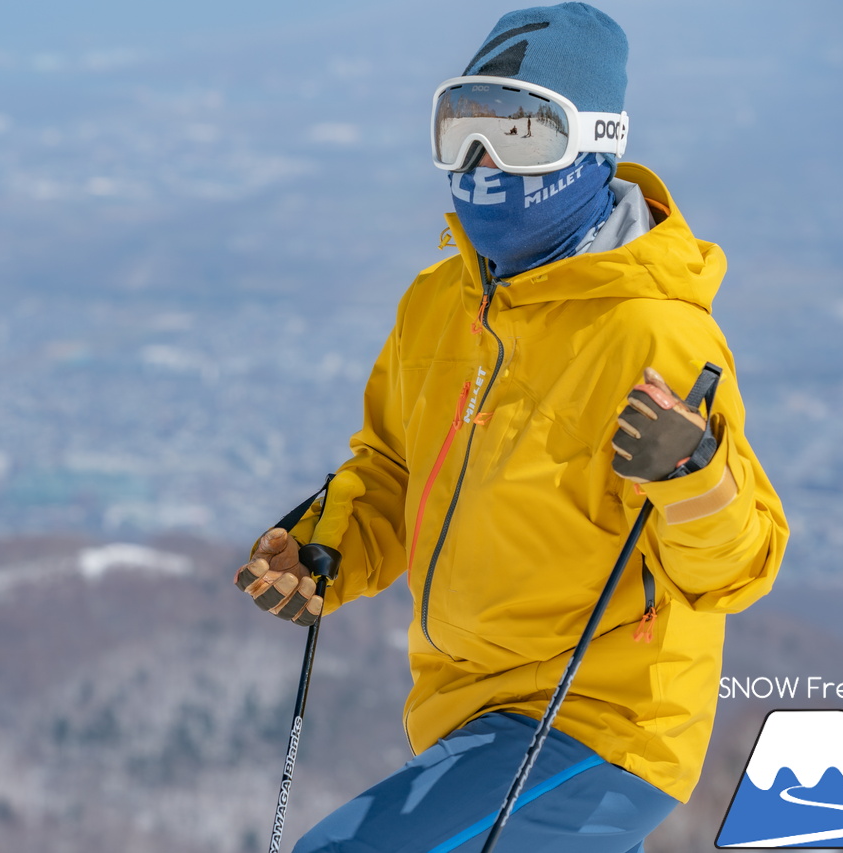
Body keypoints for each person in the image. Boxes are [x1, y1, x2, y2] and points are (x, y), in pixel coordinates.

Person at [234, 3, 787, 852]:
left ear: (595, 143)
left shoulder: (655, 334)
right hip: (464, 706)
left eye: (522, 133)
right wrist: (329, 550)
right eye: (462, 128)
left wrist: (694, 478)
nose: (482, 162)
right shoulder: (438, 306)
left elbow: (738, 568)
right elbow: (389, 466)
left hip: (602, 720)